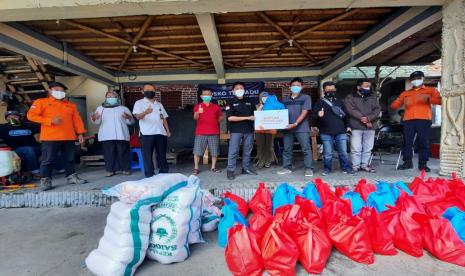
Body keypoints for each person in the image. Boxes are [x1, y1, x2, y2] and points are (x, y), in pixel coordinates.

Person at [27, 81, 87, 191]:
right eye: (56, 90)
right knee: (48, 160)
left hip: (69, 136)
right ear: (50, 91)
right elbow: (30, 116)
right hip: (50, 137)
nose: (59, 92)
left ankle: (71, 177)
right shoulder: (41, 102)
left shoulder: (70, 105)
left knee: (70, 159)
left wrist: (80, 133)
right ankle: (46, 180)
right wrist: (49, 120)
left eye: (61, 90)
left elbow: (77, 120)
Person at [391, 71, 442, 172]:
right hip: (408, 120)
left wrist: (429, 99)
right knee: (407, 142)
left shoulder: (431, 90)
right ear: (411, 81)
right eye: (414, 79)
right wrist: (400, 103)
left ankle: (423, 164)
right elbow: (394, 106)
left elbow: (440, 101)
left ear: (423, 79)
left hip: (424, 119)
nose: (416, 80)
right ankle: (407, 163)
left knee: (423, 142)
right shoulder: (406, 93)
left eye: (418, 78)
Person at [312, 81, 353, 176]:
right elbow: (313, 117)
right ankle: (327, 169)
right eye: (328, 89)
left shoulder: (340, 102)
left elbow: (346, 116)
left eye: (332, 89)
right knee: (328, 152)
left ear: (335, 90)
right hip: (325, 131)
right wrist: (318, 114)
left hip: (341, 130)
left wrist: (348, 126)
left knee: (343, 152)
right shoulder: (319, 102)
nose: (330, 90)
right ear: (324, 90)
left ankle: (346, 168)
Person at [91, 91, 134, 177]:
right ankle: (110, 170)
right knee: (109, 153)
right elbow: (96, 122)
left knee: (123, 152)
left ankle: (125, 169)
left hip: (121, 134)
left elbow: (131, 122)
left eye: (113, 96)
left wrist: (129, 117)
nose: (111, 98)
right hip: (106, 135)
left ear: (117, 97)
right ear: (106, 98)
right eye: (108, 96)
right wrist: (94, 118)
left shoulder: (123, 108)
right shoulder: (100, 108)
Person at [133, 83, 171, 177]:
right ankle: (150, 175)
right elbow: (137, 116)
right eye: (147, 90)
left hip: (160, 132)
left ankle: (164, 173)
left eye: (152, 90)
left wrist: (168, 130)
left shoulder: (159, 104)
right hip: (146, 133)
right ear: (143, 91)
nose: (150, 92)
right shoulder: (139, 103)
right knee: (147, 155)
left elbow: (164, 118)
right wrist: (145, 112)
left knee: (162, 154)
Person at [278, 77, 314, 177]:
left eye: (298, 85)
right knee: (287, 149)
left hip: (301, 127)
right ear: (290, 87)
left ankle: (309, 168)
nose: (295, 87)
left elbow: (304, 112)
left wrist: (295, 123)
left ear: (302, 87)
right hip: (287, 128)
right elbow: (279, 113)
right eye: (293, 85)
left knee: (306, 148)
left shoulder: (306, 98)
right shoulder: (284, 99)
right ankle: (287, 167)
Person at [344, 79, 380, 173]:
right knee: (356, 148)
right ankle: (355, 166)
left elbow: (377, 110)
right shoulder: (350, 97)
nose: (368, 88)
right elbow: (351, 110)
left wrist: (368, 118)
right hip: (356, 126)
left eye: (369, 86)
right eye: (366, 86)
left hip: (370, 126)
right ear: (358, 87)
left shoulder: (373, 97)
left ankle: (365, 165)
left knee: (368, 148)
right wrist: (364, 119)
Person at [226, 81, 256, 180]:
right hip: (236, 130)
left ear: (244, 90)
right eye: (237, 88)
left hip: (249, 130)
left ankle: (245, 168)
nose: (239, 90)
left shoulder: (249, 101)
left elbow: (254, 115)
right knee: (233, 151)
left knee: (247, 150)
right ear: (233, 91)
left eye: (241, 88)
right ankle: (230, 171)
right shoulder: (230, 102)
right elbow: (230, 118)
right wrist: (247, 118)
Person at [0, 110, 41, 178]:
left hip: (34, 147)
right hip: (16, 151)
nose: (12, 118)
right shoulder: (3, 128)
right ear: (6, 119)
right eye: (9, 117)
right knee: (28, 149)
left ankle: (61, 169)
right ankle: (35, 172)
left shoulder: (28, 125)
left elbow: (44, 128)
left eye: (15, 116)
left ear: (19, 117)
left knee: (50, 147)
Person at [192, 88, 222, 175]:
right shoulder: (198, 106)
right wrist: (198, 112)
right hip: (201, 132)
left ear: (211, 96)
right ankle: (196, 168)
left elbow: (220, 117)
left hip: (214, 132)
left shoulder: (216, 106)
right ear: (201, 96)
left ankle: (213, 167)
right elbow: (195, 118)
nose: (207, 96)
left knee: (214, 151)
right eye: (205, 95)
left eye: (208, 94)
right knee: (197, 151)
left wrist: (217, 120)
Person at [255, 92, 283, 169]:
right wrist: (261, 106)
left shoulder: (273, 105)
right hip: (259, 130)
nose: (264, 98)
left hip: (270, 129)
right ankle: (261, 161)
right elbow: (255, 116)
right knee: (261, 146)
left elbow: (278, 115)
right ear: (260, 98)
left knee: (269, 146)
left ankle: (268, 161)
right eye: (263, 97)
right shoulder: (257, 106)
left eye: (266, 96)